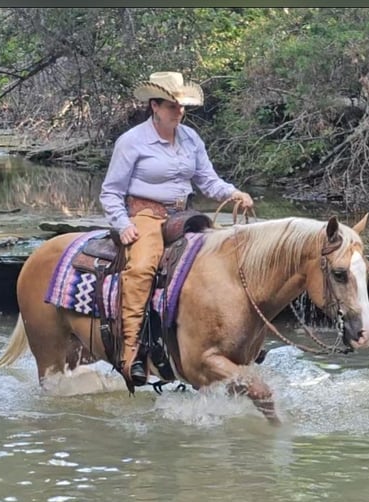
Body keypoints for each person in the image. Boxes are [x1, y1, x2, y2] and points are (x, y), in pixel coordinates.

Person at [99, 71, 254, 388]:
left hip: (183, 216)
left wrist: (233, 193)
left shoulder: (190, 139)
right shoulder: (131, 142)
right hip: (145, 214)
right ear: (154, 105)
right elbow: (111, 192)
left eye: (182, 106)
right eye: (172, 105)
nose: (179, 111)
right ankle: (130, 352)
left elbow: (207, 181)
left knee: (226, 259)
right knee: (142, 268)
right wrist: (123, 224)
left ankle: (228, 338)